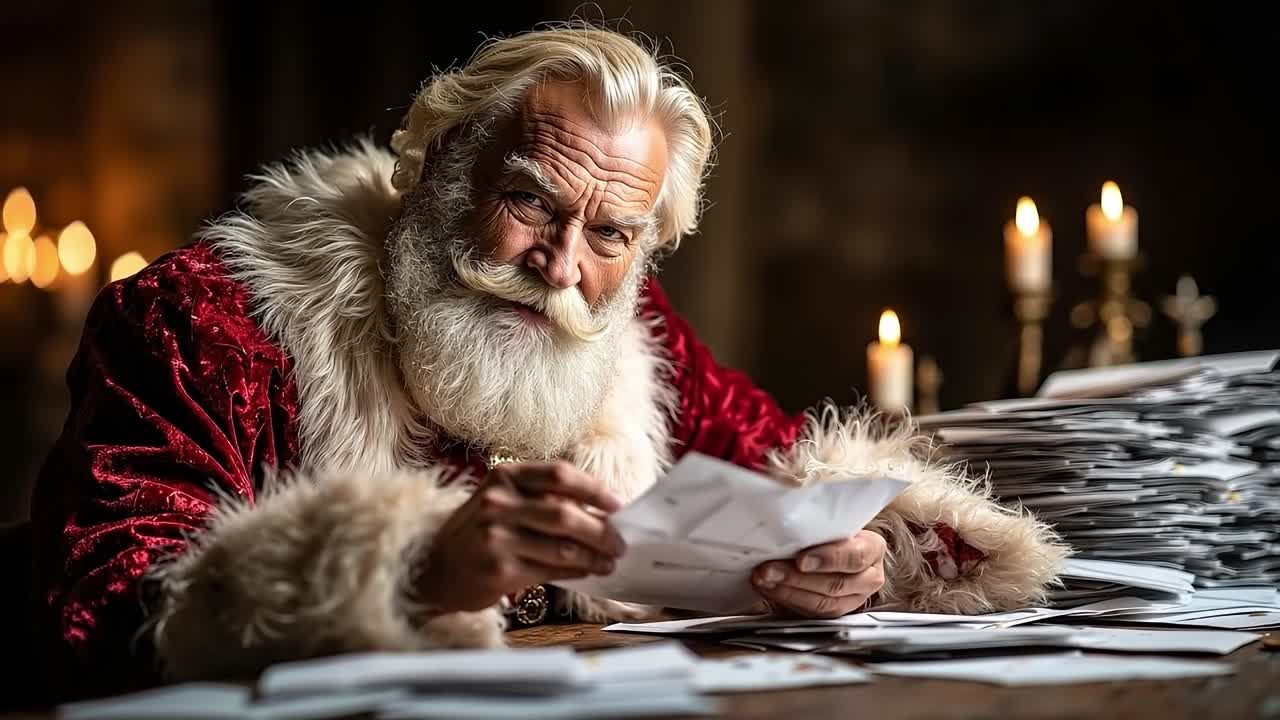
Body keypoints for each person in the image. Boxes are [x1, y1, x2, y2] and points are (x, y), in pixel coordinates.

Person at [27, 22, 1066, 700]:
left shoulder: (626, 327)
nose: (562, 267)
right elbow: (99, 599)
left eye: (612, 234)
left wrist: (852, 552)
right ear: (439, 163)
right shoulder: (206, 319)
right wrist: (405, 568)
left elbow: (781, 464)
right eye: (528, 198)